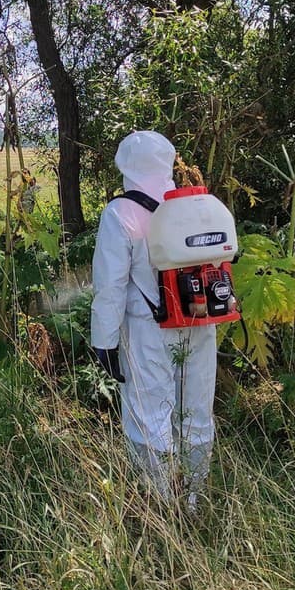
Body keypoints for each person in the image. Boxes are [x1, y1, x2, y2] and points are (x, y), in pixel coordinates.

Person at [90, 131, 217, 505]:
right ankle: (194, 500)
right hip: (200, 321)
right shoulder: (196, 206)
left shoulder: (120, 213)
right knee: (196, 411)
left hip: (148, 330)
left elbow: (110, 288)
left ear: (124, 165)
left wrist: (104, 343)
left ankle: (158, 503)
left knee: (148, 414)